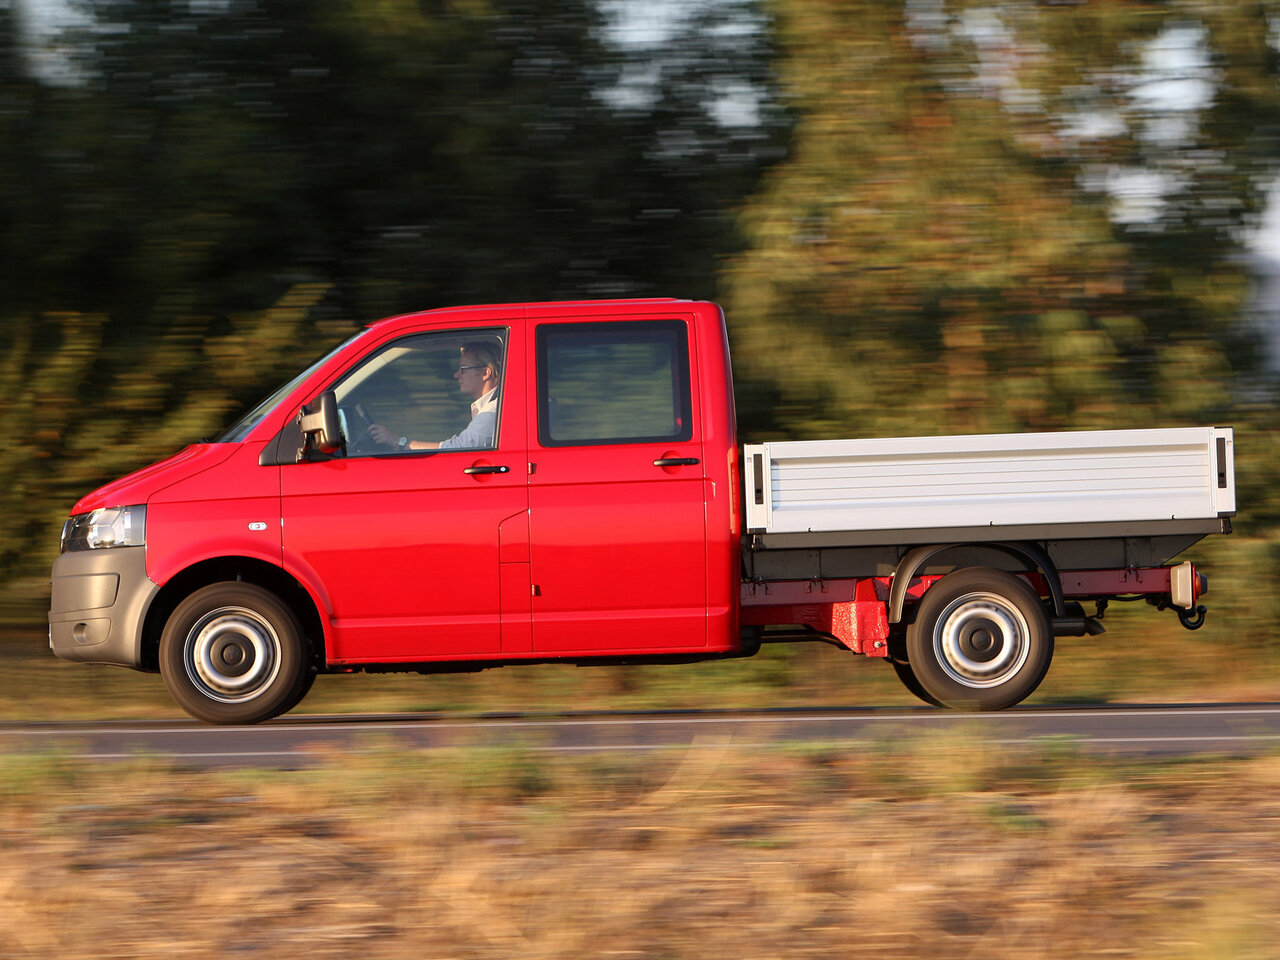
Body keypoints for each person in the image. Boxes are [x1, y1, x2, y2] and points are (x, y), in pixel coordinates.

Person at [369, 341, 501, 451]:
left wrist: (398, 441)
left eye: (463, 369)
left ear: (485, 373)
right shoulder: (492, 409)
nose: (456, 375)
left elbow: (456, 449)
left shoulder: (492, 413)